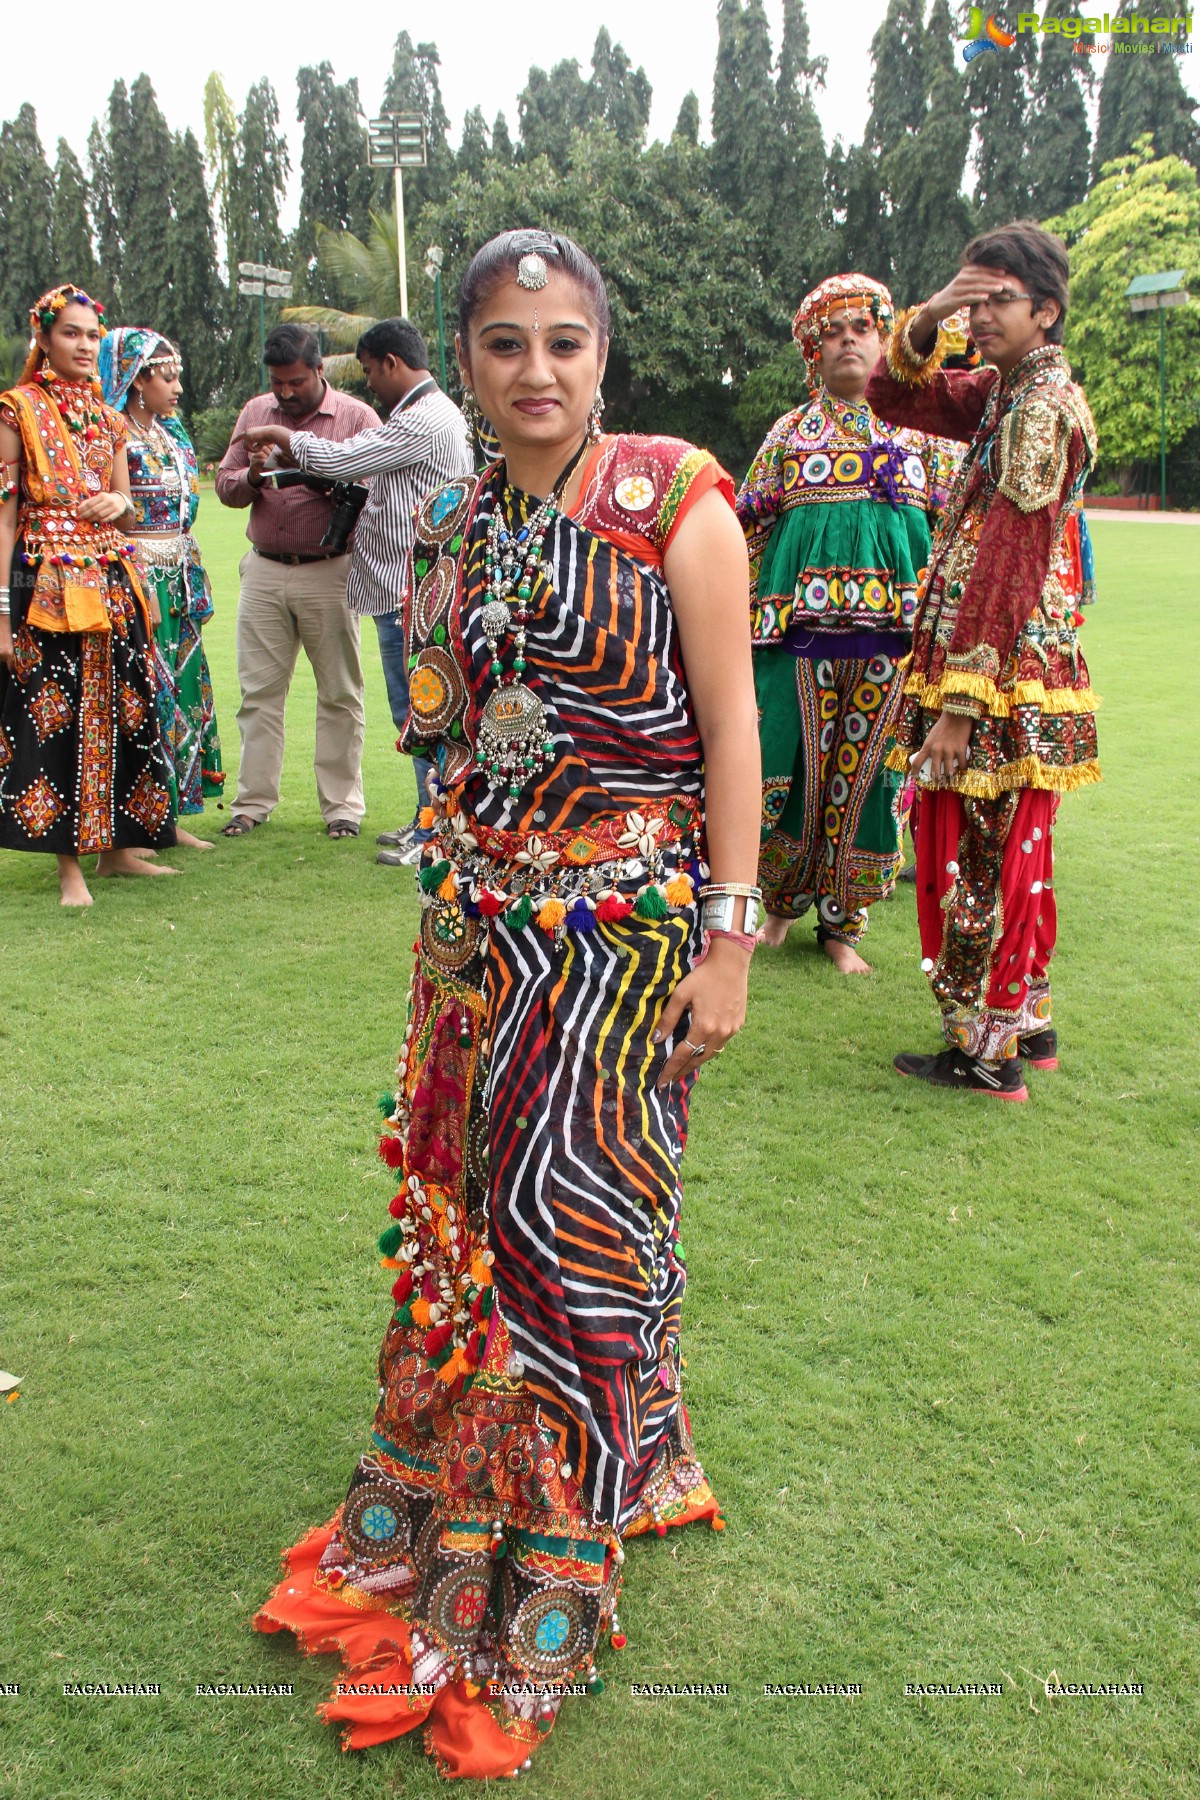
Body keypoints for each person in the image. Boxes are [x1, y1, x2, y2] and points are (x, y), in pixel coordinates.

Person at [254, 228, 762, 1778]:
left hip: (624, 932)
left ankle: (558, 1536)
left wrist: (732, 941)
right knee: (467, 1210)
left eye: (563, 341)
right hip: (476, 928)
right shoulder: (461, 526)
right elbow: (460, 741)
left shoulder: (676, 495)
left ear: (604, 351)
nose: (535, 371)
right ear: (461, 364)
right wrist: (456, 907)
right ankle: (512, 1472)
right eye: (503, 345)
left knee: (579, 1216)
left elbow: (736, 728)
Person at [866, 220, 1100, 1099]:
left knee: (975, 851)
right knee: (1008, 847)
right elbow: (896, 394)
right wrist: (929, 316)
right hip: (1008, 663)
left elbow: (1009, 556)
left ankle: (984, 1050)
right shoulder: (1010, 390)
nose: (981, 315)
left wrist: (961, 704)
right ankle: (1022, 1021)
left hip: (996, 674)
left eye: (997, 299)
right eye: (975, 296)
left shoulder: (1037, 407)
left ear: (1045, 311)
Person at [737, 274, 958, 971]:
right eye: (833, 332)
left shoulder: (924, 433)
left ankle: (842, 927)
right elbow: (743, 528)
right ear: (814, 351)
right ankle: (779, 909)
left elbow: (960, 532)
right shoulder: (788, 435)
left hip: (893, 648)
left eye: (862, 328)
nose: (848, 341)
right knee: (791, 770)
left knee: (869, 781)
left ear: (884, 340)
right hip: (797, 642)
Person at [242, 317, 473, 867]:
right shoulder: (429, 414)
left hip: (416, 591)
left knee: (421, 712)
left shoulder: (424, 418)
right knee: (419, 710)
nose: (369, 382)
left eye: (370, 371)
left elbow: (345, 457)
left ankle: (437, 833)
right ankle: (429, 817)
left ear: (392, 362)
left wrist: (284, 438)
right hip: (414, 589)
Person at [0, 284, 177, 905]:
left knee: (124, 709)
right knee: (56, 716)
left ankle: (119, 851)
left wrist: (120, 501)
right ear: (43, 339)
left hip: (110, 579)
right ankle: (68, 865)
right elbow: (3, 517)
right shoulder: (16, 408)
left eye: (92, 335)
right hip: (44, 583)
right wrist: (1, 616)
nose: (82, 344)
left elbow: (126, 511)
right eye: (70, 333)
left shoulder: (108, 417)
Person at [215, 323, 378, 838]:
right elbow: (225, 485)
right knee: (258, 693)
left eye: (295, 382)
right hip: (263, 567)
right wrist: (256, 476)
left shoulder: (354, 417)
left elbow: (373, 495)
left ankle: (342, 810)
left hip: (330, 570)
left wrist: (310, 469)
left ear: (318, 369)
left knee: (339, 694)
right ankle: (253, 804)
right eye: (277, 382)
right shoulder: (255, 412)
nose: (284, 393)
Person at [99, 327, 222, 846]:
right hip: (140, 574)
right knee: (150, 692)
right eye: (164, 376)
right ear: (134, 379)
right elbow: (115, 515)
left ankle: (171, 817)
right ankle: (141, 819)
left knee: (185, 689)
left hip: (179, 572)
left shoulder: (174, 434)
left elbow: (187, 510)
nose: (175, 387)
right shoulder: (113, 434)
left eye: (177, 376)